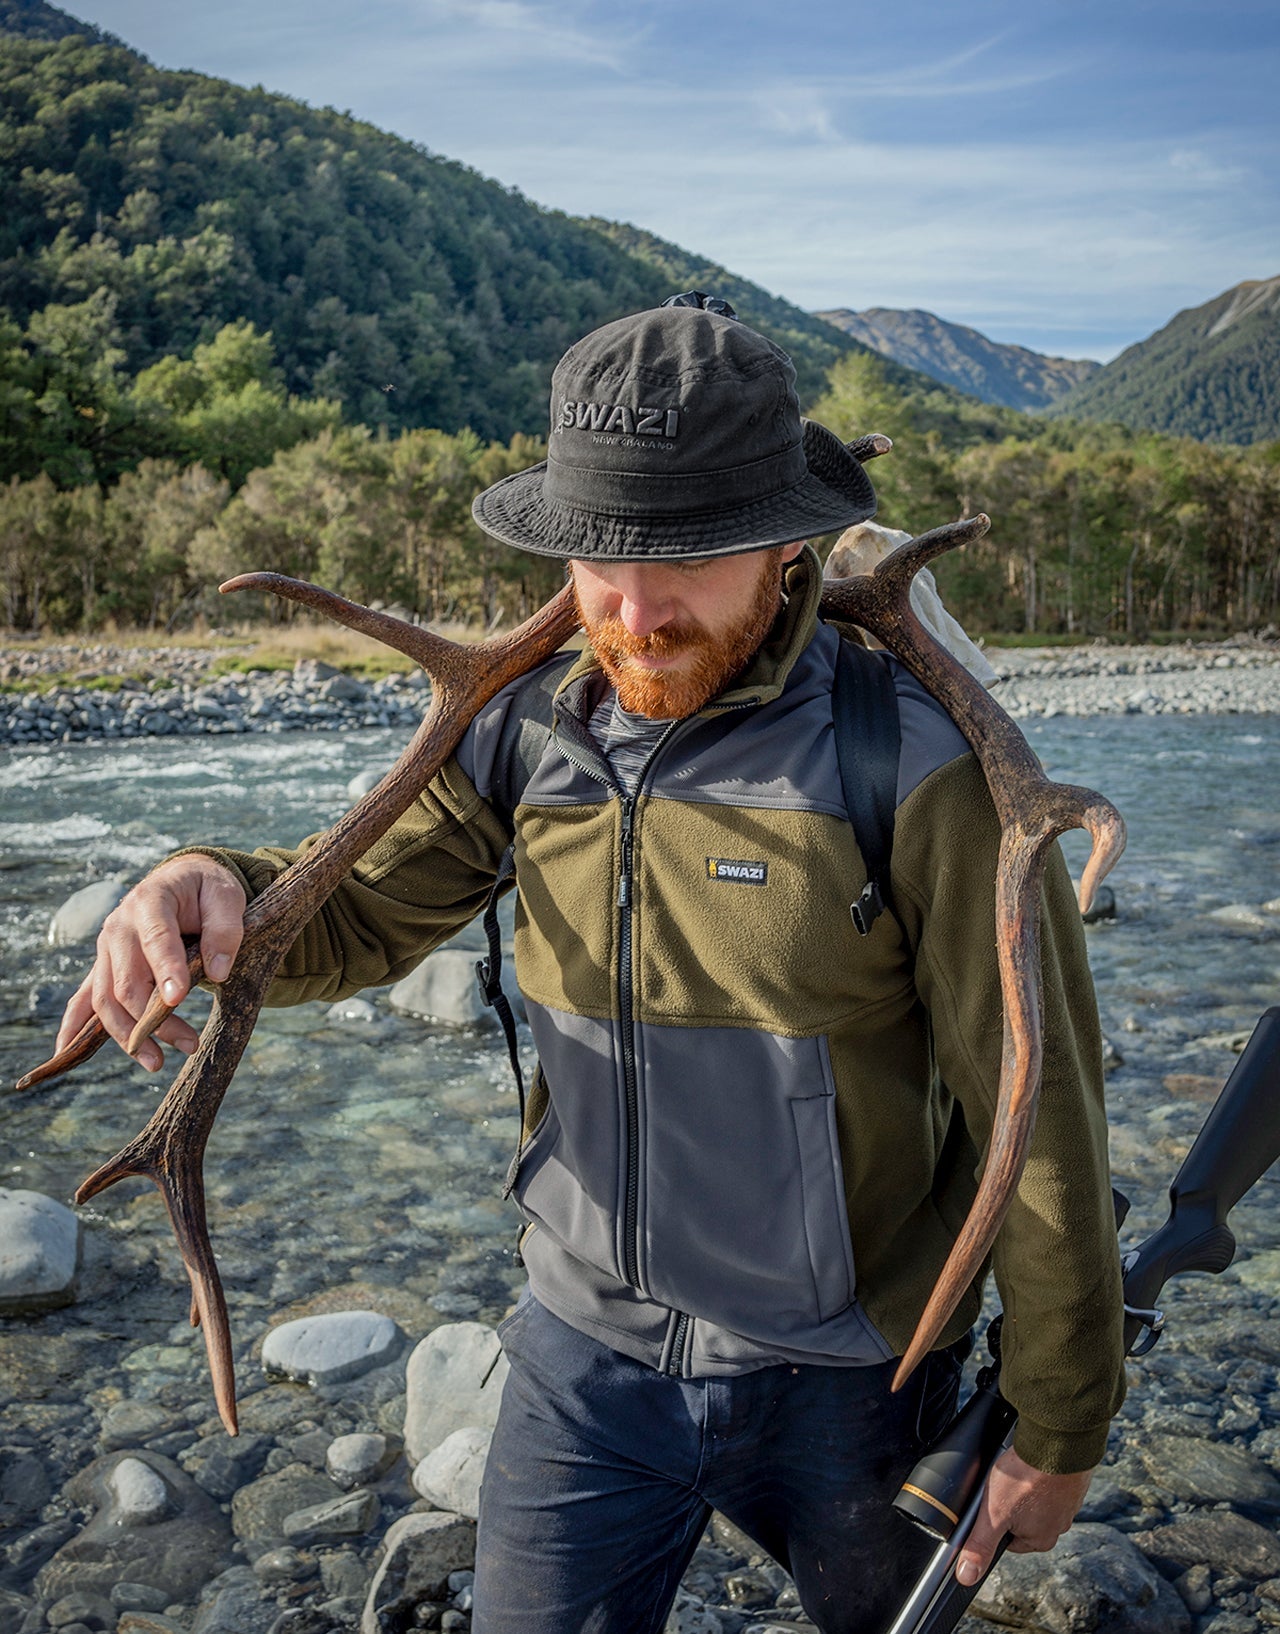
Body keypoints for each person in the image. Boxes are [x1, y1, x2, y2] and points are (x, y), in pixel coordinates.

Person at [58, 297, 1125, 1634]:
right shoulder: (525, 730)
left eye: (685, 556)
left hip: (856, 1373)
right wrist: (204, 881)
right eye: (597, 558)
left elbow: (1049, 1118)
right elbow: (348, 919)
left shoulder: (913, 766)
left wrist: (1061, 1411)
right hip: (586, 1361)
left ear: (789, 538)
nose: (631, 611)